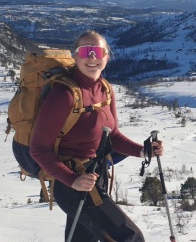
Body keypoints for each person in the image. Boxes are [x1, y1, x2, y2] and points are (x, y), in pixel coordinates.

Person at [30, 30, 163, 242]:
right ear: (75, 56)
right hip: (71, 184)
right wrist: (72, 180)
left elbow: (113, 135)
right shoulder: (63, 95)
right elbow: (38, 148)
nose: (92, 57)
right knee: (130, 236)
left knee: (83, 239)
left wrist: (142, 150)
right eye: (85, 51)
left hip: (95, 176)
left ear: (107, 57)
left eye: (98, 51)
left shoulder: (105, 89)